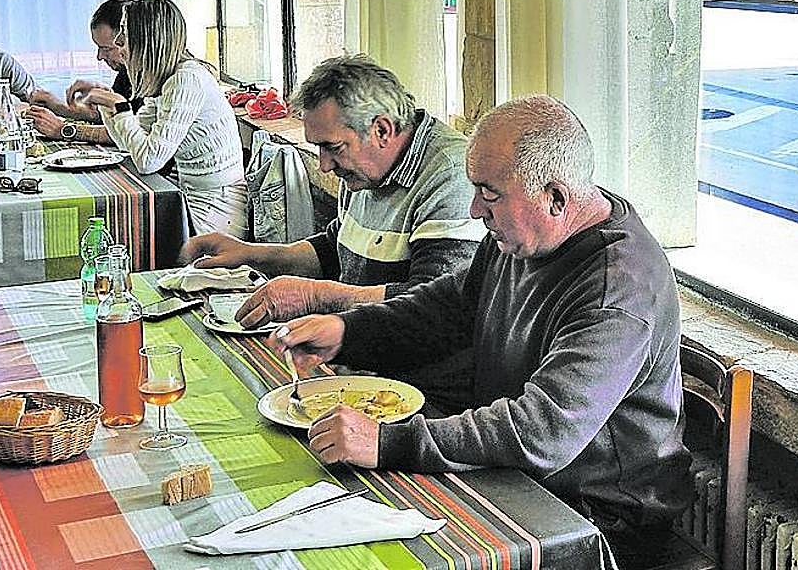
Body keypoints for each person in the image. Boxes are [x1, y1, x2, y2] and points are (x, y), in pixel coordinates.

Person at [271, 95, 693, 567]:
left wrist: (389, 441)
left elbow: (542, 431)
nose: (475, 210)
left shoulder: (617, 288)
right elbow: (450, 308)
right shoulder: (524, 236)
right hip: (518, 473)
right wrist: (348, 331)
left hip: (598, 515)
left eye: (489, 194)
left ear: (555, 198)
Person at [180, 54, 483, 317]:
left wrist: (313, 297)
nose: (324, 164)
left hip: (416, 378)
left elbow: (430, 306)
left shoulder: (451, 175)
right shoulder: (365, 169)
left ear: (382, 130)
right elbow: (334, 249)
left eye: (333, 147)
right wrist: (249, 254)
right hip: (363, 350)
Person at [81, 0, 247, 237]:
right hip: (191, 196)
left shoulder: (186, 79)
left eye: (125, 33)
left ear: (147, 39)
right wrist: (109, 103)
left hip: (216, 210)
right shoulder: (169, 78)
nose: (119, 42)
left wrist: (119, 107)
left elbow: (148, 161)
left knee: (123, 235)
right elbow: (131, 142)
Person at [27, 0, 134, 145]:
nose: (99, 57)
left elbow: (129, 136)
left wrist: (63, 130)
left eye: (106, 49)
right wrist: (60, 108)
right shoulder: (126, 73)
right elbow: (116, 121)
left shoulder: (156, 77)